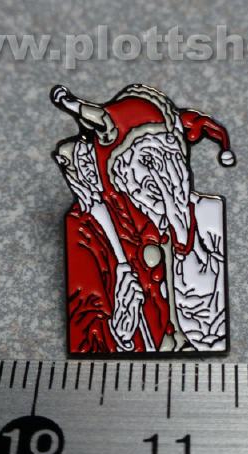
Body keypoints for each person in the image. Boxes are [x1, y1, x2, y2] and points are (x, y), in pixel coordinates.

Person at [51, 84, 235, 354]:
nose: (161, 181)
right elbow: (86, 332)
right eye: (146, 160)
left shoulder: (199, 215)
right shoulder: (87, 229)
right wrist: (118, 333)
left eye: (170, 160)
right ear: (118, 170)